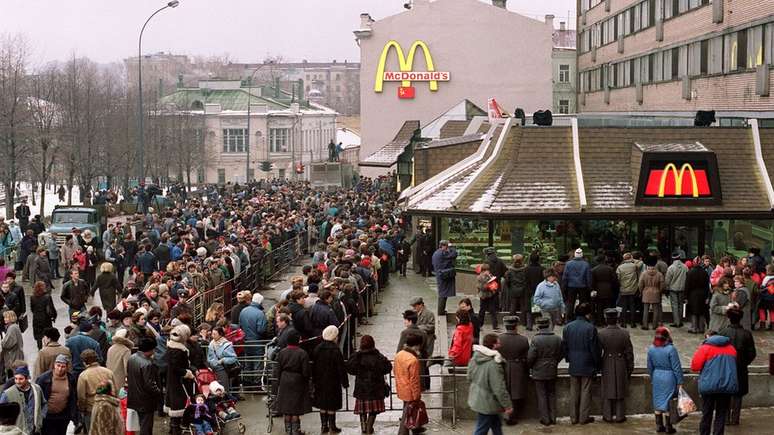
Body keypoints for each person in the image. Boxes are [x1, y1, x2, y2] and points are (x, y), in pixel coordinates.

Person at [691, 331, 738, 435]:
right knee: (721, 414)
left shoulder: (705, 348)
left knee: (707, 413)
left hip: (708, 386)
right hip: (726, 386)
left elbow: (695, 366)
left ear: (708, 337)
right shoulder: (731, 349)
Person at [562, 302, 601, 425]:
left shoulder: (568, 327)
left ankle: (573, 417)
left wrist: (569, 359)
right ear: (588, 314)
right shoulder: (591, 328)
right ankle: (583, 417)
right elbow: (595, 349)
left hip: (574, 363)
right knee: (585, 391)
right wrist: (597, 364)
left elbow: (565, 347)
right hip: (587, 364)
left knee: (574, 391)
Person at [346, 335, 392, 434]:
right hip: (375, 388)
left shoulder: (357, 356)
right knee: (373, 411)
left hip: (361, 388)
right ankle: (369, 427)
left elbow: (350, 368)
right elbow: (388, 367)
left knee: (362, 410)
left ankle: (363, 426)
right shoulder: (378, 356)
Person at [467, 333, 512, 435]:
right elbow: (499, 388)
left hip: (479, 398)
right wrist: (508, 405)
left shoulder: (475, 357)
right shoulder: (494, 364)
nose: (500, 345)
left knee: (496, 426)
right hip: (488, 402)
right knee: (481, 429)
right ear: (493, 345)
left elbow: (469, 377)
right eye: (498, 343)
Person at [718, 307, 756, 426]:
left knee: (726, 394)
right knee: (738, 394)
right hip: (740, 367)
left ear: (729, 318)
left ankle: (726, 418)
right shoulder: (746, 334)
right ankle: (735, 418)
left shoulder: (723, 332)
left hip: (726, 368)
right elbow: (752, 353)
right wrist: (744, 362)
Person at [598, 308, 634, 423]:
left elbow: (598, 351)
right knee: (620, 390)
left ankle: (607, 415)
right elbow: (629, 353)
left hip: (607, 362)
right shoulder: (624, 333)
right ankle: (620, 415)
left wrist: (598, 366)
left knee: (607, 390)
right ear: (617, 318)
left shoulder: (601, 333)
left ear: (606, 319)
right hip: (620, 362)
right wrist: (630, 368)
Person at [273, 330, 312, 435]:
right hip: (297, 381)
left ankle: (288, 431)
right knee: (295, 409)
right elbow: (306, 372)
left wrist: (279, 381)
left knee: (287, 408)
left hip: (285, 380)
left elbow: (278, 369)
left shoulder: (282, 352)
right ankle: (295, 431)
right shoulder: (302, 353)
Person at [527, 316, 563, 426]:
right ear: (548, 325)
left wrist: (531, 366)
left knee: (541, 394)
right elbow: (561, 353)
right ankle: (553, 418)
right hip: (552, 369)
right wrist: (554, 362)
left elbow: (531, 357)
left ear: (538, 326)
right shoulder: (557, 338)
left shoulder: (536, 339)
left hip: (539, 371)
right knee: (552, 394)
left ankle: (545, 419)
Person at [312, 325, 349, 433]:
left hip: (320, 381)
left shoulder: (318, 349)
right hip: (333, 381)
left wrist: (314, 380)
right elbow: (341, 368)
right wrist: (345, 382)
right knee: (332, 404)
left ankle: (324, 425)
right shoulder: (335, 350)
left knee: (322, 404)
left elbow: (313, 366)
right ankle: (332, 425)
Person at [647, 327, 682, 433]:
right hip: (669, 377)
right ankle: (668, 427)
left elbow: (649, 366)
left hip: (657, 376)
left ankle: (659, 426)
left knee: (658, 401)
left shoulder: (651, 349)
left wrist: (652, 377)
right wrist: (680, 381)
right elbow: (676, 367)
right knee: (668, 402)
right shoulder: (671, 349)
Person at [497, 316, 529, 426]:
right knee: (516, 394)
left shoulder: (499, 338)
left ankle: (505, 414)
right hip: (518, 368)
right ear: (516, 326)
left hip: (503, 366)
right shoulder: (523, 340)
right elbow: (527, 357)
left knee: (505, 392)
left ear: (506, 326)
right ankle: (513, 416)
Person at [127, 337, 162, 435]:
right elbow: (149, 384)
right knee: (146, 426)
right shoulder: (147, 364)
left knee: (142, 423)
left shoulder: (132, 358)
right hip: (145, 400)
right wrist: (158, 392)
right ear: (150, 349)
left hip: (134, 396)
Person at [36, 355, 79, 435]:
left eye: (63, 366)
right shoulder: (44, 379)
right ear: (54, 365)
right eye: (58, 365)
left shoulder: (71, 378)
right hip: (47, 416)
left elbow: (73, 397)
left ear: (66, 367)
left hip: (63, 416)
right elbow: (37, 397)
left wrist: (73, 415)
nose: (60, 369)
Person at [166, 325, 195, 435]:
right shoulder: (178, 350)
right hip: (178, 382)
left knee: (175, 405)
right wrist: (187, 373)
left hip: (173, 380)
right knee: (178, 406)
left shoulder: (172, 347)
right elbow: (176, 368)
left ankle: (173, 428)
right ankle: (175, 429)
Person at [0, 366, 44, 435]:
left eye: (21, 379)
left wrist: (40, 419)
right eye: (16, 379)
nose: (18, 381)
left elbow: (44, 404)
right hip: (17, 431)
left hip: (34, 430)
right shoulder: (7, 394)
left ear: (27, 378)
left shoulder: (36, 389)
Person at [394, 332, 423, 435]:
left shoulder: (399, 355)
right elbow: (414, 380)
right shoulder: (413, 360)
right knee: (407, 414)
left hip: (401, 388)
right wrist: (417, 396)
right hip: (410, 391)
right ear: (417, 345)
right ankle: (403, 432)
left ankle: (416, 428)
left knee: (407, 411)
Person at [561, 248, 592, 319]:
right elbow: (588, 278)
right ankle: (582, 317)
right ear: (582, 255)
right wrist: (590, 288)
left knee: (570, 303)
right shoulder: (586, 264)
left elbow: (565, 277)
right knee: (583, 303)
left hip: (571, 286)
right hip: (583, 286)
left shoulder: (568, 264)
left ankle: (568, 318)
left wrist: (564, 287)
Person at [206, 326, 237, 392]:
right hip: (212, 368)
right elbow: (209, 357)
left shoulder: (226, 345)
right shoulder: (211, 343)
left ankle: (225, 400)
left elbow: (233, 358)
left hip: (222, 369)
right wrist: (210, 363)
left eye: (215, 334)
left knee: (223, 387)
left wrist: (223, 360)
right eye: (212, 334)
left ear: (220, 334)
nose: (212, 336)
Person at [431, 240, 457, 315]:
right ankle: (440, 311)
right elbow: (454, 254)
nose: (448, 248)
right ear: (444, 246)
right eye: (447, 246)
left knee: (443, 293)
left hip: (440, 275)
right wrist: (452, 247)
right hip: (443, 276)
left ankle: (441, 310)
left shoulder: (436, 253)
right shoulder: (443, 253)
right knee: (443, 294)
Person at [591, 255, 617, 325]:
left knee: (599, 307)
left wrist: (593, 290)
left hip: (598, 290)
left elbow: (592, 282)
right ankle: (607, 321)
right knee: (608, 306)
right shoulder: (610, 269)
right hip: (608, 289)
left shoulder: (594, 270)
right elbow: (614, 280)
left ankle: (600, 321)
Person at [686, 259, 711, 334]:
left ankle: (694, 328)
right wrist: (707, 296)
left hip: (693, 294)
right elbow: (707, 286)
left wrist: (686, 296)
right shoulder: (705, 273)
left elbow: (687, 285)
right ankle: (701, 328)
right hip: (703, 294)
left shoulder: (690, 272)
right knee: (702, 311)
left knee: (694, 311)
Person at [616, 252, 641, 328]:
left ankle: (623, 323)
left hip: (623, 288)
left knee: (624, 306)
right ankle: (632, 323)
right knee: (632, 305)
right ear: (631, 258)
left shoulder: (620, 267)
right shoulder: (635, 266)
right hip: (633, 288)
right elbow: (640, 265)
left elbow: (618, 278)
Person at [30, 281, 56, 350]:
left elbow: (32, 309)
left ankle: (39, 348)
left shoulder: (32, 297)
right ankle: (48, 348)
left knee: (38, 336)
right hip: (46, 319)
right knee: (48, 334)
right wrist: (54, 316)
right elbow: (51, 308)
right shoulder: (47, 297)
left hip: (36, 319)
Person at [665, 253, 688, 328]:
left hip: (673, 289)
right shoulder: (685, 267)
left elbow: (667, 280)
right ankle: (680, 321)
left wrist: (667, 288)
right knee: (680, 305)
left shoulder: (671, 268)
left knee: (674, 305)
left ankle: (676, 322)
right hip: (682, 288)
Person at [639, 262, 665, 330]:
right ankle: (654, 325)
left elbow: (640, 284)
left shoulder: (644, 273)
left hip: (646, 292)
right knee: (656, 310)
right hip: (656, 292)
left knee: (645, 309)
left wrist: (641, 291)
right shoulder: (659, 274)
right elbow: (662, 284)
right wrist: (659, 291)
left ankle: (645, 325)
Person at [523, 253, 544, 331]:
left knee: (529, 309)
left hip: (529, 291)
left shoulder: (526, 269)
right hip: (539, 291)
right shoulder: (542, 269)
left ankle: (529, 325)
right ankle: (539, 325)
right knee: (538, 309)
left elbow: (525, 281)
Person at [1, 311, 24, 378]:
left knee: (14, 376)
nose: (4, 319)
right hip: (16, 355)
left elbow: (7, 343)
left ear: (11, 318)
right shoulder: (14, 327)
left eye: (6, 317)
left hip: (13, 357)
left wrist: (2, 342)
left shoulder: (12, 328)